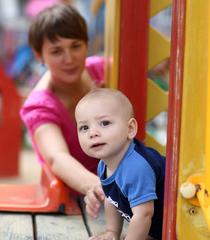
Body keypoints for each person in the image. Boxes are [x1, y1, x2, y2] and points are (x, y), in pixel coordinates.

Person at [19, 3, 105, 210]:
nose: (69, 59)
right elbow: (57, 157)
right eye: (57, 51)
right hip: (77, 202)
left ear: (86, 43)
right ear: (39, 55)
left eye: (75, 46)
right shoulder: (40, 107)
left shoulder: (101, 71)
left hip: (122, 186)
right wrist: (103, 188)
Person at [75, 88, 165, 240]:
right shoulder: (104, 164)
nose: (93, 133)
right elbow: (112, 198)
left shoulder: (136, 167)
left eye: (104, 123)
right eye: (85, 127)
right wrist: (112, 233)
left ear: (130, 129)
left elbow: (143, 214)